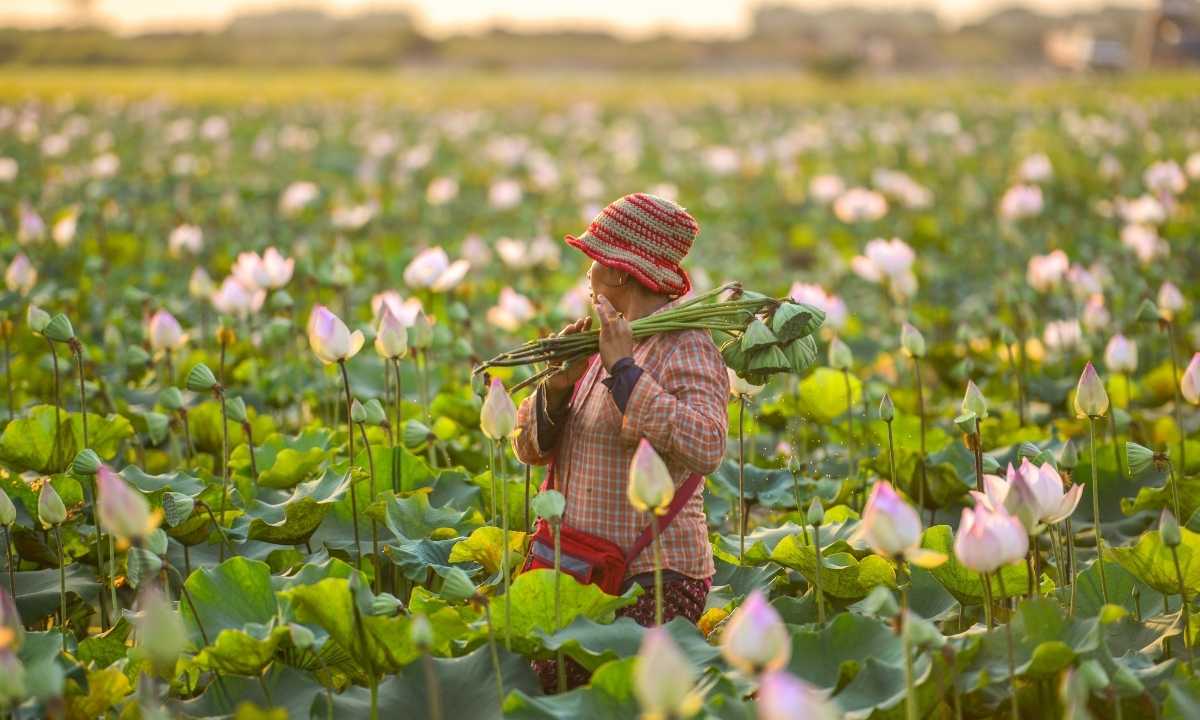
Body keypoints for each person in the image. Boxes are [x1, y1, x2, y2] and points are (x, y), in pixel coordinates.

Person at [511, 192, 729, 693]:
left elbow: (709, 445)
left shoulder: (687, 345)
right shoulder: (603, 339)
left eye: (593, 262)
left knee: (618, 699)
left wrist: (625, 373)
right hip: (579, 566)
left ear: (620, 274)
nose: (586, 276)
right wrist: (560, 384)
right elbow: (529, 450)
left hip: (653, 577)